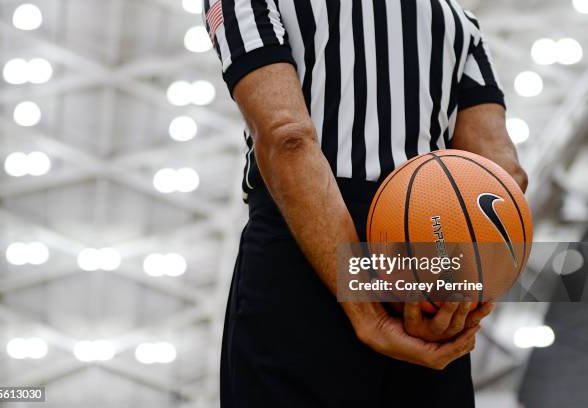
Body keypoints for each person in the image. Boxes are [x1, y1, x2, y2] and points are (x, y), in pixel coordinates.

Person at [203, 0, 528, 406]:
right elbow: (503, 176)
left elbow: (287, 137)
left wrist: (367, 312)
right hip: (428, 251)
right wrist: (451, 306)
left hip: (301, 251)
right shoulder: (457, 19)